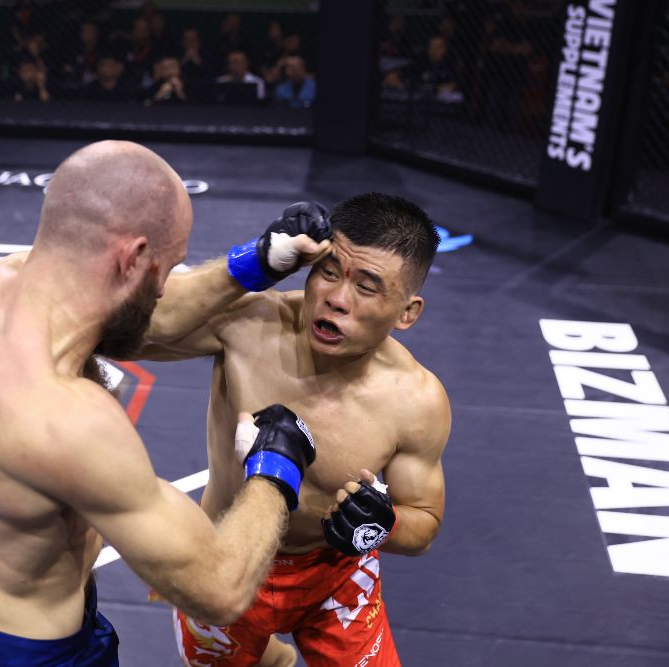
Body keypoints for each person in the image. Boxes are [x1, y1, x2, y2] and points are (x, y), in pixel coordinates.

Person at [0, 140, 325, 666]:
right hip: (28, 656)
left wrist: (255, 263)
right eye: (165, 267)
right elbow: (218, 589)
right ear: (133, 256)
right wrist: (276, 468)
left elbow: (144, 313)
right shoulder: (64, 420)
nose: (164, 286)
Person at [135, 193, 451, 666]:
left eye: (367, 287)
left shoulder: (415, 400)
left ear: (407, 312)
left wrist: (381, 525)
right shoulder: (248, 323)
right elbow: (131, 331)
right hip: (227, 555)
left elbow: (423, 523)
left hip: (334, 575)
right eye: (328, 271)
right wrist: (251, 265)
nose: (337, 299)